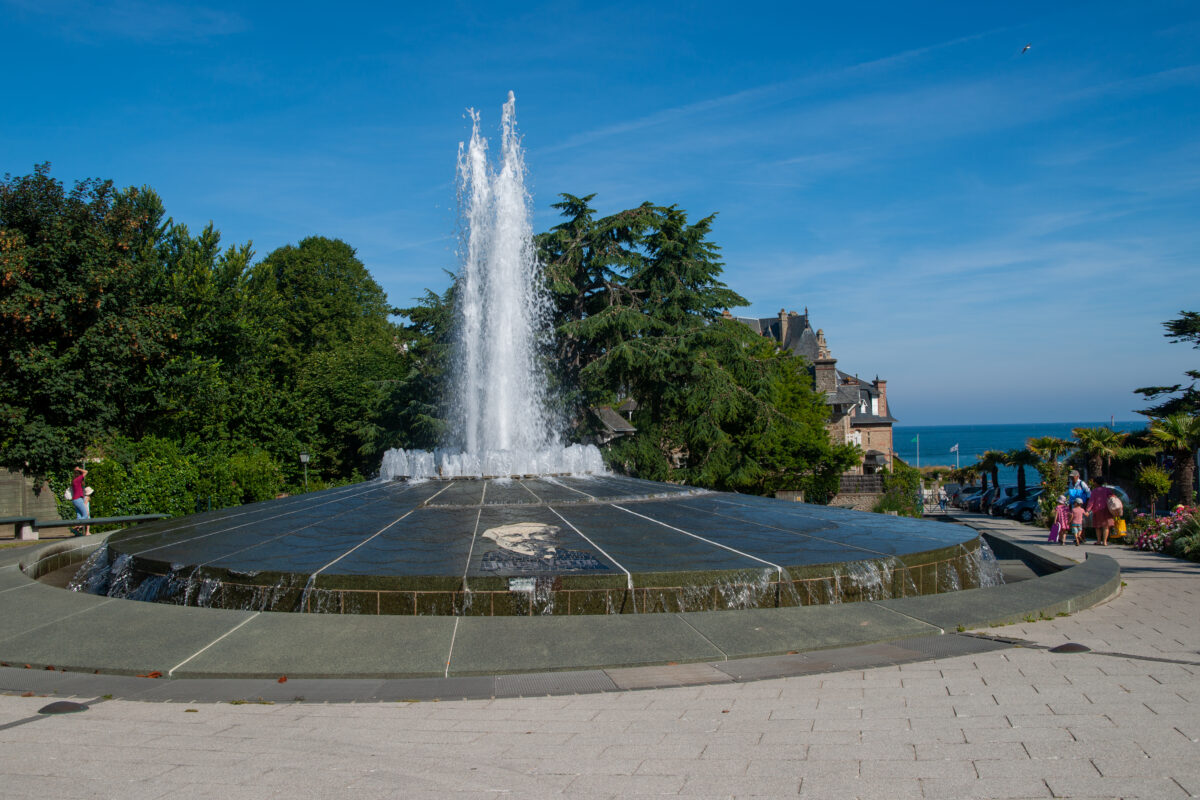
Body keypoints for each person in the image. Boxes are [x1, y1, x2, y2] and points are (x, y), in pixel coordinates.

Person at [1087, 476, 1118, 546]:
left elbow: (1091, 501)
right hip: (1107, 509)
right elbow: (1112, 497)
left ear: (1096, 483)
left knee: (1098, 526)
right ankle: (1105, 542)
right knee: (1106, 526)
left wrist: (1088, 510)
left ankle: (1098, 541)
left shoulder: (1094, 491)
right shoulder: (1107, 490)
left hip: (1097, 510)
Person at [70, 466, 89, 536]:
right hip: (78, 499)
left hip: (75, 500)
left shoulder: (73, 481)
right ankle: (76, 527)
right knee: (85, 516)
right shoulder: (77, 480)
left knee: (79, 517)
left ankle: (77, 532)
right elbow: (86, 472)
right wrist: (78, 469)